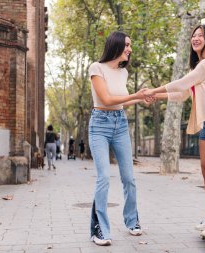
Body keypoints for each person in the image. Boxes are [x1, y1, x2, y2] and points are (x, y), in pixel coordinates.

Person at [143, 25, 205, 237]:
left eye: (200, 35)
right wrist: (154, 97)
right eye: (194, 35)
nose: (196, 38)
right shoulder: (198, 68)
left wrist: (153, 90)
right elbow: (181, 94)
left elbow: (182, 83)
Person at [88, 31, 153, 246]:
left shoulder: (123, 73)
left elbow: (120, 103)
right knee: (104, 177)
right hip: (99, 125)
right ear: (115, 45)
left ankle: (132, 220)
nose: (130, 49)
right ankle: (99, 229)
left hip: (120, 124)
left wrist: (140, 98)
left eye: (130, 46)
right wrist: (135, 95)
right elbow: (106, 99)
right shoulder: (96, 68)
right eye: (127, 45)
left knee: (129, 177)